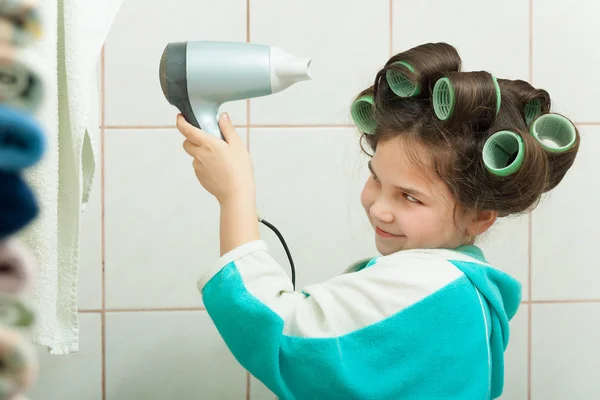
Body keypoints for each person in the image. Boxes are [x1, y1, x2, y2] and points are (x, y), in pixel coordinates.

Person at [176, 42, 580, 400]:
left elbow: (279, 333)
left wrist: (236, 198)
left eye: (409, 197)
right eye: (376, 178)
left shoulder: (426, 286)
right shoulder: (467, 289)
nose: (378, 208)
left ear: (479, 216)